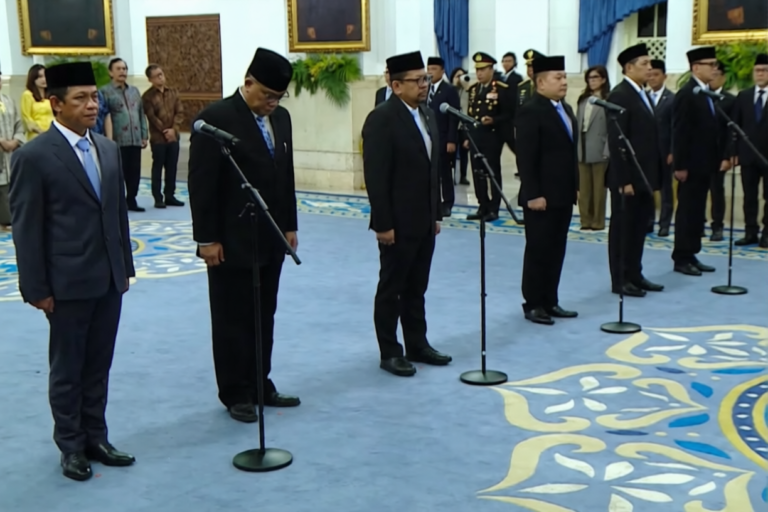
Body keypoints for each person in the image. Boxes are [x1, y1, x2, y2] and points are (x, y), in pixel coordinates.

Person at [9, 62, 136, 481]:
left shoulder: (108, 149)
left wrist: (125, 268)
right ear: (55, 104)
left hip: (108, 279)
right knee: (68, 370)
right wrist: (36, 288)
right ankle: (71, 446)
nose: (91, 105)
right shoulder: (33, 157)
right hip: (65, 284)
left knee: (98, 365)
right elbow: (27, 228)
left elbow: (117, 214)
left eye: (94, 97)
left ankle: (97, 437)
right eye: (80, 98)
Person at [188, 48, 301, 423]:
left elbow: (285, 176)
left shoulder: (281, 118)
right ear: (248, 82)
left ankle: (259, 382)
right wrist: (206, 239)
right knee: (232, 317)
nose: (272, 103)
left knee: (264, 314)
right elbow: (201, 185)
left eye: (279, 97)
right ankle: (235, 391)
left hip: (270, 235)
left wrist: (289, 225)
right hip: (230, 238)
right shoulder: (215, 119)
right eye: (267, 95)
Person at [362, 50, 452, 377]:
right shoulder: (382, 118)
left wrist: (436, 213)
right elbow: (376, 176)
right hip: (397, 223)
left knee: (417, 287)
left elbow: (433, 169)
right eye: (417, 81)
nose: (424, 85)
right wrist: (383, 224)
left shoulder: (427, 114)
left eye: (425, 79)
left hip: (424, 219)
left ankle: (417, 343)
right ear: (397, 85)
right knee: (392, 287)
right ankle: (390, 351)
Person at [516, 55, 578, 325]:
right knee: (538, 250)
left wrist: (575, 186)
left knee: (556, 249)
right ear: (540, 83)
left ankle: (550, 300)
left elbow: (569, 153)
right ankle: (533, 303)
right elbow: (526, 156)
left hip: (562, 194)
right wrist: (533, 194)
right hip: (540, 196)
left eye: (564, 77)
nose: (564, 82)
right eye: (558, 77)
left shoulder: (565, 108)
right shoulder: (531, 110)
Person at [606, 43, 664, 298]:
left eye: (650, 63)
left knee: (639, 227)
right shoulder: (620, 95)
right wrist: (624, 180)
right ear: (629, 68)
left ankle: (635, 273)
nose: (650, 68)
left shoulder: (642, 93)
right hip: (628, 178)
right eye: (644, 64)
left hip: (644, 175)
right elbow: (617, 141)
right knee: (623, 230)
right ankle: (620, 279)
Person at [671, 46, 729, 276]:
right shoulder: (688, 93)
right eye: (710, 65)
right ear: (696, 68)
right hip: (690, 165)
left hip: (705, 164)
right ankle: (681, 256)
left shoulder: (705, 92)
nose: (715, 69)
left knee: (697, 211)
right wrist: (680, 165)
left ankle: (692, 252)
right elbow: (680, 131)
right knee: (687, 211)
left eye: (716, 65)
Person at [464, 52, 513, 222]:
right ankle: (482, 205)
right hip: (476, 137)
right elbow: (470, 115)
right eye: (477, 70)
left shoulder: (501, 89)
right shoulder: (473, 90)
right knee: (477, 173)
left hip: (492, 137)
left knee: (492, 173)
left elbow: (509, 114)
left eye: (483, 69)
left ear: (491, 70)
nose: (479, 73)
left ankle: (494, 208)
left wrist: (494, 120)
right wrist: (467, 137)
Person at [100, 58, 148, 212]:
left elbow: (140, 113)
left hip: (135, 138)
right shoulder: (104, 92)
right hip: (117, 140)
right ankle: (118, 201)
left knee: (134, 172)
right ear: (110, 72)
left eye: (124, 69)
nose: (122, 72)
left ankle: (132, 199)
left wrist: (144, 134)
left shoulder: (134, 91)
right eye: (119, 69)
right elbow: (103, 116)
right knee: (118, 172)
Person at [732, 53, 768, 248]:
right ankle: (750, 232)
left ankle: (767, 234)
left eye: (764, 70)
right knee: (749, 197)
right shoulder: (744, 96)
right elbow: (735, 126)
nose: (760, 74)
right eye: (757, 70)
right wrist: (733, 152)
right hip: (748, 157)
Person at [141, 64, 185, 209]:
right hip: (158, 138)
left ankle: (170, 195)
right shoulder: (147, 97)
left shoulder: (173, 92)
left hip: (174, 136)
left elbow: (179, 112)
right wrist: (165, 131)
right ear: (150, 79)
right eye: (156, 76)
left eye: (161, 74)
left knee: (172, 167)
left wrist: (174, 130)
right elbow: (152, 117)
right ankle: (158, 197)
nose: (160, 78)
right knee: (158, 167)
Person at [575, 65, 610, 231]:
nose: (592, 81)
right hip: (582, 148)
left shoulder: (607, 100)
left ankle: (597, 221)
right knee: (584, 189)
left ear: (603, 80)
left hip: (600, 148)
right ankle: (585, 220)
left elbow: (611, 129)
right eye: (590, 78)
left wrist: (607, 150)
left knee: (599, 189)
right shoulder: (583, 100)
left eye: (595, 77)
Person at [426, 56, 461, 217]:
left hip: (443, 137)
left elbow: (454, 116)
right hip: (428, 137)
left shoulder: (449, 90)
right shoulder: (424, 89)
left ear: (442, 71)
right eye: (428, 69)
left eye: (434, 69)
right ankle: (433, 202)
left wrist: (451, 140)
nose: (430, 72)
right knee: (431, 172)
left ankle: (447, 202)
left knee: (445, 172)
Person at [706, 61, 737, 242]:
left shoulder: (730, 100)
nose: (712, 78)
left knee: (717, 191)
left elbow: (731, 131)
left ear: (723, 78)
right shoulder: (700, 97)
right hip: (699, 154)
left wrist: (727, 156)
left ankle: (717, 226)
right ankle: (697, 224)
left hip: (719, 154)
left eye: (716, 74)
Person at [647, 59, 675, 237]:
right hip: (647, 152)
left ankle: (664, 223)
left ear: (664, 76)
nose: (652, 78)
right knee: (648, 188)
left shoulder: (672, 99)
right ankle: (648, 221)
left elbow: (675, 127)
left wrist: (673, 151)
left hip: (665, 152)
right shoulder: (643, 97)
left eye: (656, 75)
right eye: (649, 75)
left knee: (666, 189)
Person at [0, 69, 25, 231]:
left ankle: (10, 220)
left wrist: (16, 140)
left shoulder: (8, 100)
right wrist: (1, 141)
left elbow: (18, 123)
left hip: (10, 150)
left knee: (11, 185)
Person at [297, 0, 361, 42]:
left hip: (340, 17)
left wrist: (351, 19)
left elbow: (350, 2)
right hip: (320, 18)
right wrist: (310, 24)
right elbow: (310, 3)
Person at [20, 64, 54, 140]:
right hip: (37, 135)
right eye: (40, 77)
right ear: (33, 79)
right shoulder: (28, 95)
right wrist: (40, 131)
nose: (44, 79)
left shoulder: (51, 95)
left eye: (45, 76)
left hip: (52, 133)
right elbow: (27, 118)